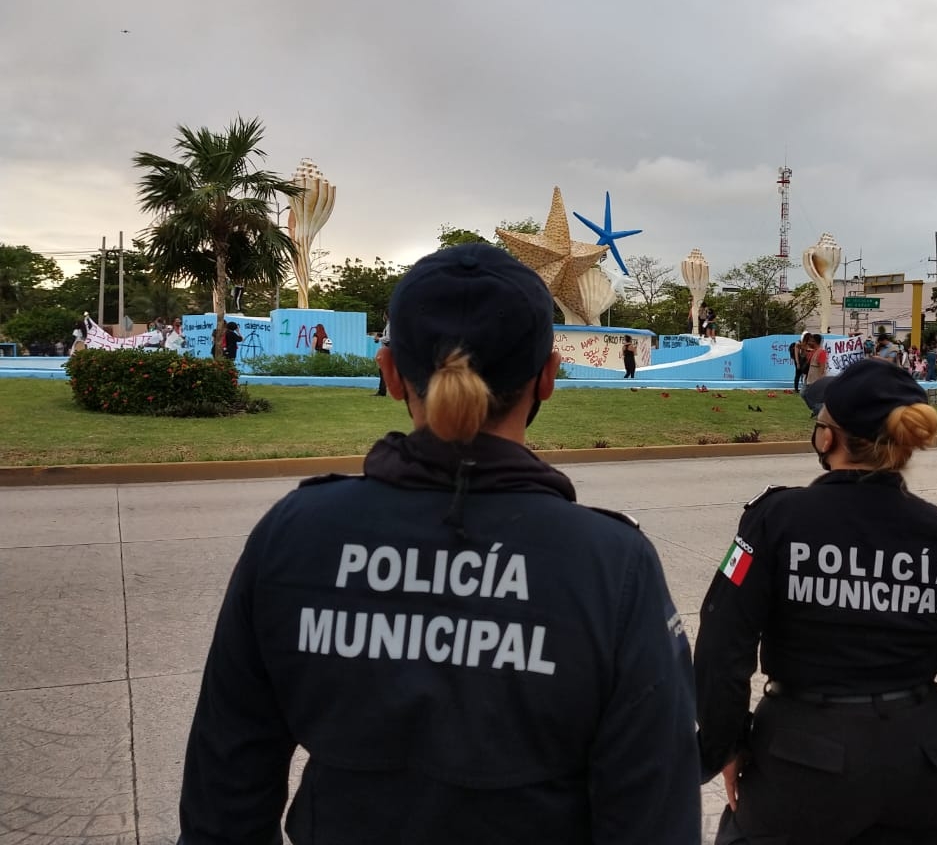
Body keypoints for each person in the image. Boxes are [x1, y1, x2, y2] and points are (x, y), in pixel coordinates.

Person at [176, 243, 700, 844]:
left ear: (391, 370)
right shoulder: (611, 565)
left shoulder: (295, 534)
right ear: (548, 377)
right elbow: (655, 816)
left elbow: (224, 801)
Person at [695, 359, 937, 845]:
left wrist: (723, 744)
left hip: (801, 765)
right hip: (923, 764)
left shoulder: (776, 521)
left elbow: (723, 641)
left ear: (828, 438)